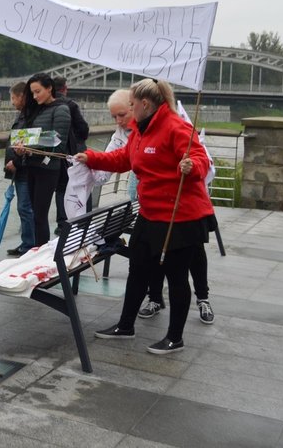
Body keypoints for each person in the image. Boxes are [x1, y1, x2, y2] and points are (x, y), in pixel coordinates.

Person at [75, 78, 217, 354]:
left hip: (180, 216)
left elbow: (200, 158)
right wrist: (90, 157)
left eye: (130, 105)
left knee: (176, 276)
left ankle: (175, 337)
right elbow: (122, 159)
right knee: (138, 267)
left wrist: (193, 165)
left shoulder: (176, 127)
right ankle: (125, 325)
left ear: (145, 104)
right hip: (150, 212)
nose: (128, 110)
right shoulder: (139, 131)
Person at [12, 72, 71, 247]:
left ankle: (40, 251)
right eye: (33, 93)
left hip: (48, 168)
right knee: (34, 213)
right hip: (31, 165)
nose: (35, 96)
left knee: (39, 214)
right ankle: (37, 249)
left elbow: (59, 143)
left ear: (49, 88)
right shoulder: (35, 110)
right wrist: (22, 149)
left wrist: (31, 145)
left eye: (38, 91)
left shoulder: (61, 109)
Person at [53, 76, 90, 230]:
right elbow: (83, 128)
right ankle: (81, 222)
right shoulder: (70, 104)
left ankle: (62, 224)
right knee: (80, 186)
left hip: (58, 153)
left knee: (61, 188)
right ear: (65, 88)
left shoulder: (49, 105)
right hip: (75, 153)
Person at [4, 81, 35, 255]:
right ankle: (27, 242)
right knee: (25, 207)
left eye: (13, 98)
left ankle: (29, 245)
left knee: (25, 207)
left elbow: (25, 143)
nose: (12, 102)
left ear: (22, 97)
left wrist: (15, 162)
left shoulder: (28, 116)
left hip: (23, 169)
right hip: (21, 168)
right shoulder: (24, 114)